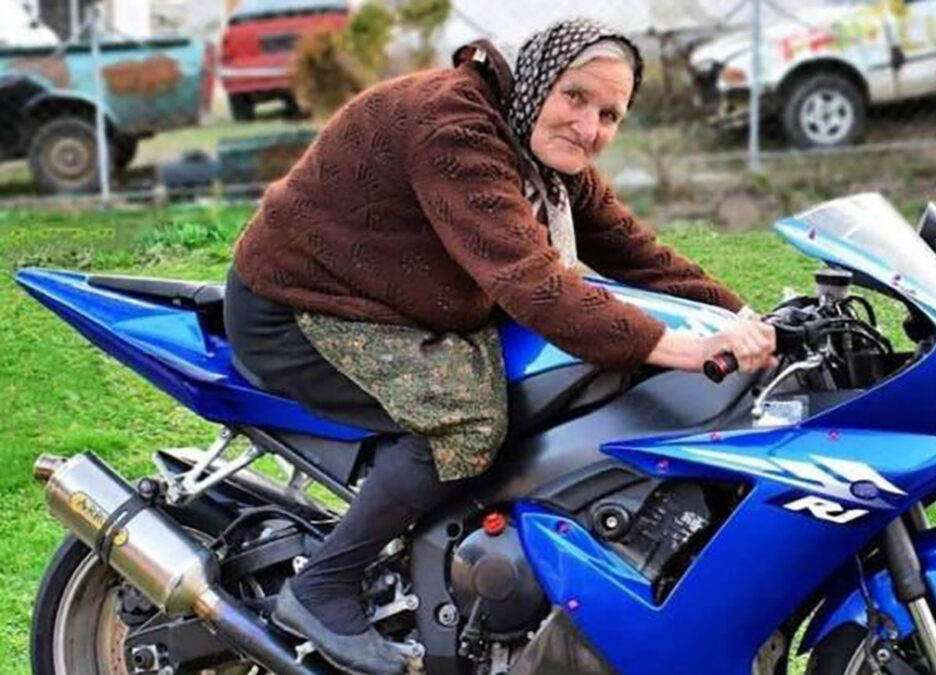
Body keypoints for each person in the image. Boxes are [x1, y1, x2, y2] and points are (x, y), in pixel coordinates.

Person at [224, 18, 776, 675]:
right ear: (540, 81)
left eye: (609, 115)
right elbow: (533, 284)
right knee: (468, 416)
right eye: (576, 98)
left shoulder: (540, 149)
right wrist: (683, 349)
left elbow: (632, 250)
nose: (589, 126)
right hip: (305, 305)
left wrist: (749, 318)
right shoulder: (457, 130)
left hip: (399, 305)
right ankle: (323, 584)